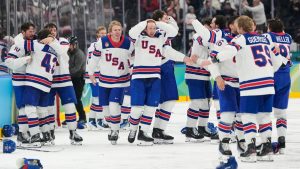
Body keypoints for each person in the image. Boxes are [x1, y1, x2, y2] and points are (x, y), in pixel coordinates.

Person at [198, 15, 286, 162]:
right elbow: (279, 62)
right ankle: (262, 147)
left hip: (248, 84)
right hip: (244, 83)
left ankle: (248, 147)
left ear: (239, 28)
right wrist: (218, 77)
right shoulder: (267, 38)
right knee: (255, 116)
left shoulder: (239, 39)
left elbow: (221, 55)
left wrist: (210, 60)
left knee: (246, 116)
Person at [128, 19, 192, 145]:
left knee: (151, 107)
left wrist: (184, 58)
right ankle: (133, 128)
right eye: (149, 28)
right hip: (139, 76)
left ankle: (143, 132)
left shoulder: (160, 38)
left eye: (154, 28)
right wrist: (146, 21)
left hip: (155, 76)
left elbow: (172, 36)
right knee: (136, 108)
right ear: (145, 29)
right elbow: (131, 32)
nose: (152, 30)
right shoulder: (138, 38)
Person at [88, 21, 134, 145]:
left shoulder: (128, 43)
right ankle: (113, 126)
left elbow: (134, 57)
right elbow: (94, 58)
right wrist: (90, 72)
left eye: (119, 29)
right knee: (106, 111)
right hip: (104, 80)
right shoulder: (101, 42)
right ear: (110, 31)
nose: (118, 32)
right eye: (115, 30)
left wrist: (134, 67)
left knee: (114, 105)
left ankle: (115, 131)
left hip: (120, 80)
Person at [44, 23, 82, 145]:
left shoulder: (63, 41)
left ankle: (73, 132)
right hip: (48, 79)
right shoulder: (40, 43)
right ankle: (49, 132)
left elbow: (60, 51)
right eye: (50, 30)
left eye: (55, 30)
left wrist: (49, 41)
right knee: (49, 108)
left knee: (70, 106)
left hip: (65, 79)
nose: (53, 32)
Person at [151, 9, 179, 144]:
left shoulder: (161, 30)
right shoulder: (160, 30)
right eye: (165, 18)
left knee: (164, 101)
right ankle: (158, 129)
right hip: (163, 66)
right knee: (168, 100)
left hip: (162, 66)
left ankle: (158, 130)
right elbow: (174, 29)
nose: (168, 20)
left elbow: (175, 29)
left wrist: (167, 19)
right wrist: (162, 22)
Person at [5, 22, 35, 146]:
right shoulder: (18, 45)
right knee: (23, 107)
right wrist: (25, 59)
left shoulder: (34, 43)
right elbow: (9, 62)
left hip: (31, 79)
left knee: (29, 107)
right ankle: (22, 134)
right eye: (30, 31)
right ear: (23, 32)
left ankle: (24, 133)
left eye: (33, 31)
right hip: (19, 79)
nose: (32, 33)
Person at [264, 18, 292, 154]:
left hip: (272, 74)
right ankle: (282, 143)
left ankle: (267, 142)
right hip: (286, 75)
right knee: (281, 112)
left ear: (270, 28)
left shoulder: (268, 36)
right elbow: (283, 34)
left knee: (265, 112)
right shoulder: (288, 37)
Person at [85, 26, 109, 130]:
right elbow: (93, 61)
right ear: (97, 35)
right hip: (94, 75)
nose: (104, 35)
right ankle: (99, 121)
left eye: (105, 33)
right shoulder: (95, 45)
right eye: (101, 33)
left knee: (97, 98)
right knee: (98, 98)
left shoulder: (100, 45)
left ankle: (91, 121)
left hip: (98, 74)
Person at [68, 36, 87, 126]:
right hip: (71, 78)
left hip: (79, 79)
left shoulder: (79, 54)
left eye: (70, 45)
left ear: (74, 45)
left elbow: (76, 69)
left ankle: (82, 117)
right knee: (71, 99)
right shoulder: (69, 53)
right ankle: (71, 117)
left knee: (77, 99)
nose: (69, 46)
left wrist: (65, 72)